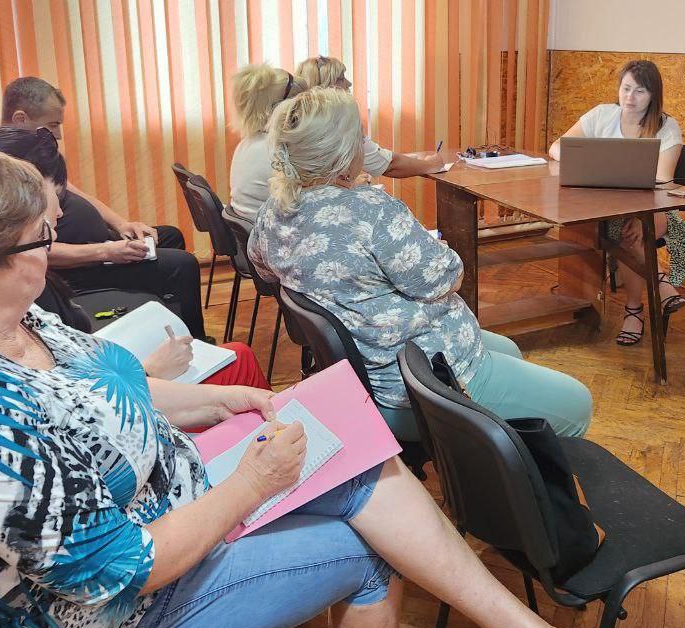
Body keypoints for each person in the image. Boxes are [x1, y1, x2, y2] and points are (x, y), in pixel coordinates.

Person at [0, 147, 667, 628]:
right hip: (100, 622)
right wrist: (252, 484)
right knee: (368, 554)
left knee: (361, 455)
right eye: (40, 240)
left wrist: (221, 400)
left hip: (160, 502)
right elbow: (114, 572)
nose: (53, 249)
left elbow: (98, 393)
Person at [248, 87, 593, 443]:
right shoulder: (371, 210)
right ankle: (511, 481)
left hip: (369, 368)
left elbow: (263, 267)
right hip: (421, 381)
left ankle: (492, 453)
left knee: (508, 349)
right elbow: (447, 277)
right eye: (360, 137)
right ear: (342, 150)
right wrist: (432, 247)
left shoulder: (275, 211)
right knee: (578, 403)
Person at [0, 126, 269, 393]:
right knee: (238, 359)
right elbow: (79, 411)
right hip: (128, 395)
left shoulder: (20, 302)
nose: (59, 213)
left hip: (110, 374)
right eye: (42, 233)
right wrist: (147, 371)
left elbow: (71, 369)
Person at [1, 77, 207, 339]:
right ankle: (194, 342)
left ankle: (168, 325)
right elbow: (32, 249)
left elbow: (79, 194)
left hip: (96, 246)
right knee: (182, 265)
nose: (59, 134)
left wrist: (122, 224)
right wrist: (105, 250)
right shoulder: (6, 169)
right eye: (53, 125)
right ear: (20, 119)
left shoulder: (35, 152)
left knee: (168, 235)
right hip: (77, 269)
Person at [548, 60, 685, 346]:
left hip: (654, 204)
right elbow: (556, 147)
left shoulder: (666, 126)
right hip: (606, 207)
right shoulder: (602, 115)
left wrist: (614, 180)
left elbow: (663, 177)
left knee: (636, 231)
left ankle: (634, 311)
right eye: (625, 89)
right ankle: (661, 285)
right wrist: (586, 162)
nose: (630, 98)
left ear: (653, 95)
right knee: (631, 234)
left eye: (639, 92)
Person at [297, 56, 449, 181]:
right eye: (342, 78)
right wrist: (430, 164)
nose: (349, 83)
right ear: (328, 86)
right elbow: (388, 165)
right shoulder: (340, 121)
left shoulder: (293, 118)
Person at [227, 64, 307, 220]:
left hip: (252, 227)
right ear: (283, 109)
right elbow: (309, 199)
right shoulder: (278, 152)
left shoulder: (248, 143)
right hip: (271, 233)